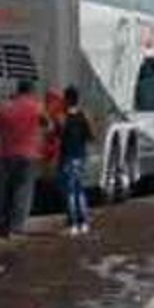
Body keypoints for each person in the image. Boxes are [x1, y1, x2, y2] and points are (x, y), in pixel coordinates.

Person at [0, 78, 48, 238]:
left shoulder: (4, 107)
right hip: (28, 155)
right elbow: (48, 125)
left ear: (18, 90)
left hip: (5, 155)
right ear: (31, 91)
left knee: (5, 193)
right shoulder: (36, 107)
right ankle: (16, 228)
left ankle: (2, 227)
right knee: (22, 191)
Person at [58, 86, 95, 235]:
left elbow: (56, 135)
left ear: (67, 99)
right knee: (80, 191)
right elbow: (91, 137)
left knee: (70, 192)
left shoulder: (62, 118)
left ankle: (73, 224)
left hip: (67, 157)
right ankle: (84, 223)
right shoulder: (84, 115)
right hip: (80, 157)